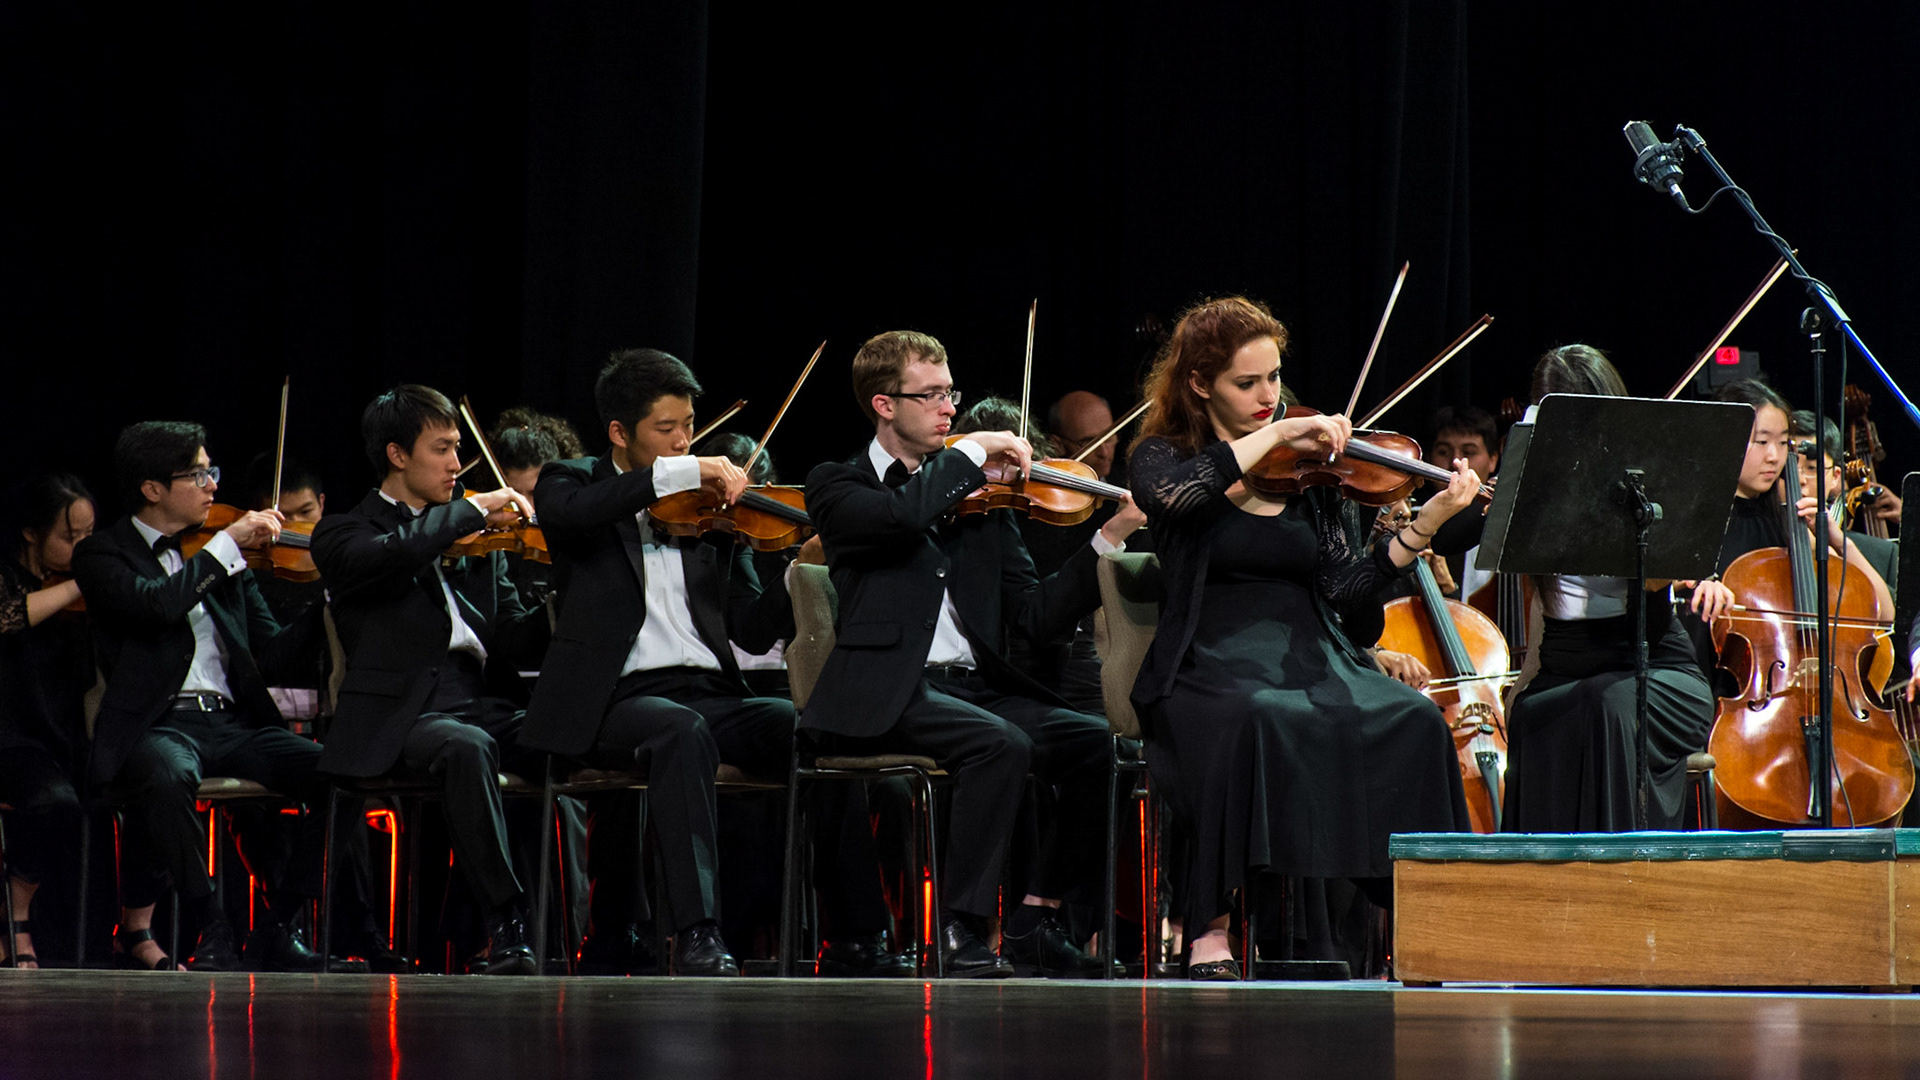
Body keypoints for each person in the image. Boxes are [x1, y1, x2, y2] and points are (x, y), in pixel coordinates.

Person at [1124, 296, 1474, 981]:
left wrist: (1424, 524)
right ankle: (1209, 927)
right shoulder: (1163, 457)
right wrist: (1276, 437)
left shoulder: (1310, 479)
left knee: (1413, 721)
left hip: (1310, 653)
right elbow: (1183, 502)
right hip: (1206, 662)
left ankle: (1430, 917)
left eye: (1274, 379)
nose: (1269, 397)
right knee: (1255, 720)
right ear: (1200, 384)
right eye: (1246, 383)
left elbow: (1346, 592)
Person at [803, 330, 1148, 978]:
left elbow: (1035, 616)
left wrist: (1108, 535)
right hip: (889, 688)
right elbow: (901, 518)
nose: (946, 407)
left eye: (948, 393)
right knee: (999, 744)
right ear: (882, 403)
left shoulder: (985, 505)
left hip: (974, 690)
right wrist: (969, 450)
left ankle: (1033, 919)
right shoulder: (840, 486)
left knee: (1092, 743)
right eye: (929, 395)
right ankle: (963, 931)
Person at [524, 349, 839, 977]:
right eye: (666, 429)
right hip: (615, 699)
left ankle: (855, 933)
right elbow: (566, 516)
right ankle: (697, 932)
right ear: (620, 432)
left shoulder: (708, 511)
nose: (684, 440)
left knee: (816, 725)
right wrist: (672, 473)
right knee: (678, 729)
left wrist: (800, 564)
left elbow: (749, 629)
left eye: (689, 426)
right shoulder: (573, 480)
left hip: (711, 693)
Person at [311, 386, 552, 976]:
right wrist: (464, 513)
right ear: (397, 455)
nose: (455, 464)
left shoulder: (477, 540)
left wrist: (562, 602)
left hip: (480, 700)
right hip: (403, 715)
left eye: (457, 449)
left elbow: (510, 637)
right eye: (442, 449)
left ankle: (601, 931)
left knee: (567, 736)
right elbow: (392, 555)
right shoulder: (344, 533)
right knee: (466, 747)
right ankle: (508, 926)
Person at [74, 422, 329, 972]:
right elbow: (155, 606)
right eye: (198, 474)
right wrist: (223, 548)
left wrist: (329, 603)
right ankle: (210, 924)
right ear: (152, 489)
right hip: (158, 726)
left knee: (340, 773)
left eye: (211, 470)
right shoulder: (101, 556)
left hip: (231, 725)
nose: (214, 484)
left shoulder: (221, 557)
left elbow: (274, 654)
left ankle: (279, 925)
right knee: (167, 773)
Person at [1498, 346, 1718, 834]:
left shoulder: (1643, 475)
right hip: (1566, 668)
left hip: (1655, 669)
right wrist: (1526, 676)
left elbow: (1659, 586)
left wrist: (1647, 536)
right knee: (1530, 713)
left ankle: (1621, 886)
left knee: (1606, 704)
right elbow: (1547, 598)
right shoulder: (1535, 474)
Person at [0, 474, 95, 968]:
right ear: (31, 534)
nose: (81, 547)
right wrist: (83, 580)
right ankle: (14, 911)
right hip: (9, 735)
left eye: (88, 537)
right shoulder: (8, 579)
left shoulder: (79, 593)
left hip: (60, 737)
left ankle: (120, 935)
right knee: (52, 802)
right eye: (69, 537)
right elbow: (8, 616)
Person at [1049, 390, 1119, 482]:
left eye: (1108, 438)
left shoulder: (1129, 481)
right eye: (1089, 442)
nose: (1104, 453)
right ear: (1057, 445)